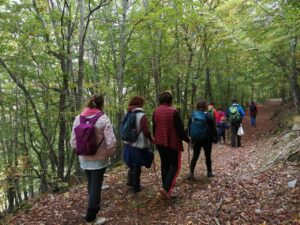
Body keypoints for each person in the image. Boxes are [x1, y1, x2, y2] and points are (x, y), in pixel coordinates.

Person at [70, 94, 116, 224]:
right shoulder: (103, 118)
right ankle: (91, 215)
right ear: (101, 104)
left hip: (84, 158)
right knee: (96, 185)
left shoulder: (78, 118)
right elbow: (111, 141)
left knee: (91, 183)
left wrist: (79, 152)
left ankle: (91, 208)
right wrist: (109, 153)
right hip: (99, 158)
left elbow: (73, 141)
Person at [152, 91, 189, 200]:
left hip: (159, 142)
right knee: (175, 166)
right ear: (170, 100)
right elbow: (180, 131)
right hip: (172, 143)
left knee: (165, 164)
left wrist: (155, 139)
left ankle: (165, 191)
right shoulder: (173, 111)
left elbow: (154, 127)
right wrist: (187, 140)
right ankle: (166, 188)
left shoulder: (155, 111)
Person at [122, 96, 154, 192]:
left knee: (131, 163)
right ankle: (136, 186)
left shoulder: (128, 112)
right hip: (138, 143)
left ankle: (130, 181)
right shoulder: (141, 115)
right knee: (137, 165)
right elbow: (145, 130)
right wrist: (151, 138)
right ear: (140, 103)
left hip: (128, 142)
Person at [188, 100, 217, 179]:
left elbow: (189, 126)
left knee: (195, 155)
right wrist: (215, 137)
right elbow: (214, 128)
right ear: (205, 107)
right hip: (207, 139)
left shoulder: (193, 115)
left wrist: (190, 136)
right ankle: (209, 172)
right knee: (207, 155)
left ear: (197, 106)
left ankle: (191, 172)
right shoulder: (208, 115)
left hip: (196, 139)